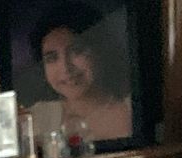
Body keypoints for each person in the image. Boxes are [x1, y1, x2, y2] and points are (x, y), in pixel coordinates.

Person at [28, 1, 132, 145]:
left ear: (100, 50)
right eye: (52, 58)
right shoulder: (35, 119)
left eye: (76, 51)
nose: (65, 68)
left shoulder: (132, 111)